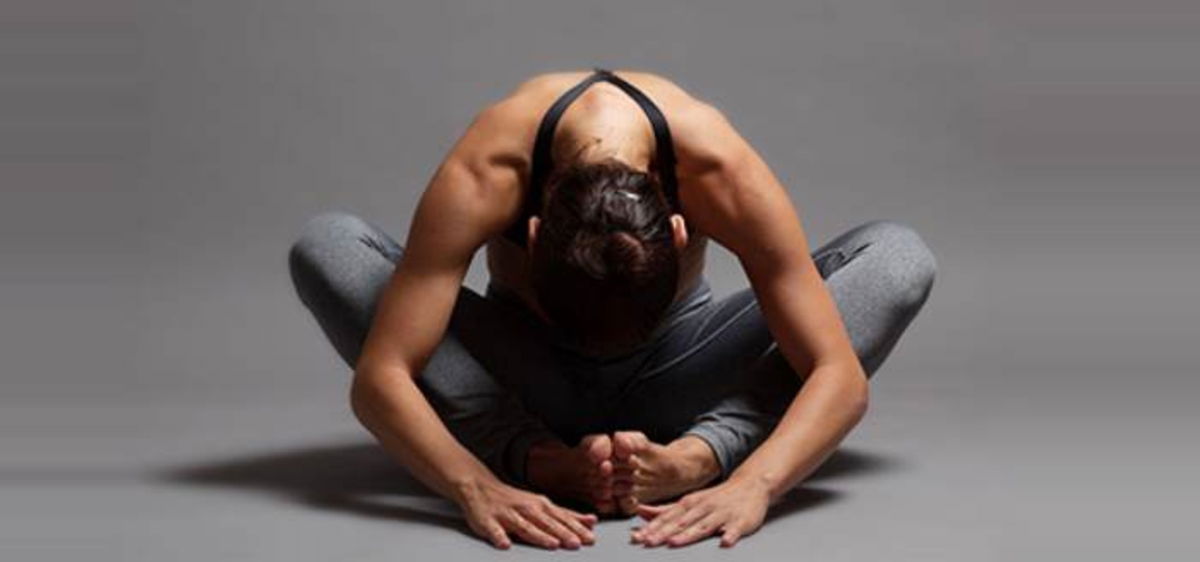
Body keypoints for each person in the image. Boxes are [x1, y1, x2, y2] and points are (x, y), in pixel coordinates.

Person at [288, 67, 936, 550]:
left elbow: (838, 375)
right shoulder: (489, 170)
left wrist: (750, 481)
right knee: (329, 245)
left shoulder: (715, 167)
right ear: (535, 231)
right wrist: (474, 485)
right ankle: (540, 459)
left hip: (677, 376)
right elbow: (382, 378)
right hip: (526, 381)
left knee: (897, 256)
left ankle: (689, 458)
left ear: (678, 232)